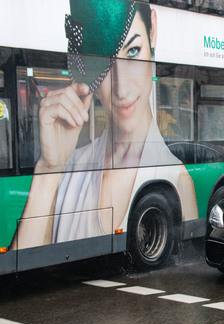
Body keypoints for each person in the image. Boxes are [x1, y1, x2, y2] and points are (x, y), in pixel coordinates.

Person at [11, 0, 198, 250]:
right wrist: (49, 169)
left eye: (133, 52)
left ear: (152, 30)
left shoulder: (178, 179)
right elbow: (25, 262)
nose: (122, 89)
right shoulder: (66, 170)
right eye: (104, 65)